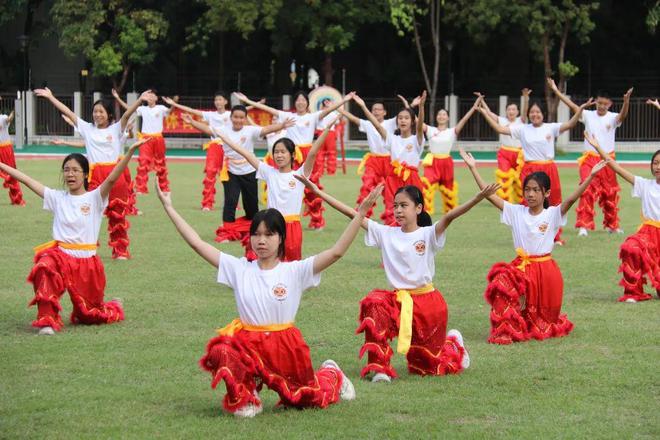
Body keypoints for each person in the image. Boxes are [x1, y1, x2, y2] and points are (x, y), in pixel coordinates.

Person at [155, 176, 383, 417]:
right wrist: (169, 207)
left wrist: (361, 214)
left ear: (281, 238)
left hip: (285, 346)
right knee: (221, 349)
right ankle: (247, 399)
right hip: (248, 342)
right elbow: (198, 244)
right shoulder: (239, 268)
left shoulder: (294, 271)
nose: (261, 240)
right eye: (256, 234)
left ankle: (332, 375)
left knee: (305, 399)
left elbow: (336, 252)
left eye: (269, 234)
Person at [297, 174, 500, 382]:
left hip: (428, 305)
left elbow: (449, 217)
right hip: (398, 302)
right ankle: (380, 369)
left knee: (429, 369)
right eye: (395, 206)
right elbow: (351, 214)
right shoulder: (386, 233)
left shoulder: (428, 234)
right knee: (374, 302)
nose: (398, 210)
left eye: (404, 205)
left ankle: (454, 343)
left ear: (418, 209)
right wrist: (318, 192)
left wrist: (477, 198)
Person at [0, 139, 146, 335]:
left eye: (75, 170)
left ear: (85, 174)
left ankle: (113, 306)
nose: (70, 174)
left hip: (87, 263)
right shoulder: (57, 197)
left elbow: (111, 179)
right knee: (44, 266)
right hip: (61, 256)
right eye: (67, 170)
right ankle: (47, 321)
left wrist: (130, 152)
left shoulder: (95, 197)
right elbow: (27, 180)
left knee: (89, 316)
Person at [460, 148, 606, 343]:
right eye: (527, 189)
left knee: (539, 322)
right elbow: (490, 196)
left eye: (536, 190)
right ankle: (507, 329)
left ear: (546, 193)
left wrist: (590, 176)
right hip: (520, 268)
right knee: (500, 283)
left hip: (545, 272)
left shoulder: (552, 214)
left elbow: (571, 199)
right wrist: (473, 169)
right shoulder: (516, 212)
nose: (530, 194)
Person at [35, 87, 148, 259]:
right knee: (87, 212)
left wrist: (139, 101)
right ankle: (83, 246)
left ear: (109, 115)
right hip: (94, 175)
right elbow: (69, 112)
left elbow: (126, 115)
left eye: (101, 112)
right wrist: (51, 96)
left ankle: (120, 251)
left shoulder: (116, 129)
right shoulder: (87, 128)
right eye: (95, 111)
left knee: (117, 214)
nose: (97, 115)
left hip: (114, 175)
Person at [215, 115, 340, 261]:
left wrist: (326, 129)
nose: (279, 155)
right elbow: (247, 154)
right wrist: (226, 139)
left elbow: (312, 153)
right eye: (276, 152)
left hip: (292, 226)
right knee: (268, 260)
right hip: (271, 224)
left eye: (283, 152)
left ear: (292, 155)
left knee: (292, 264)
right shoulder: (269, 172)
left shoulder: (300, 174)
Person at [478, 91, 594, 244]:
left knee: (553, 201)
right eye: (532, 112)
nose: (534, 114)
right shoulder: (522, 128)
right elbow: (500, 129)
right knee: (529, 202)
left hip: (549, 168)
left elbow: (571, 124)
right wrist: (484, 113)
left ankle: (554, 237)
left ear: (543, 114)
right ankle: (530, 233)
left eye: (537, 112)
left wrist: (581, 109)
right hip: (530, 170)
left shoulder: (551, 128)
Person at [234, 91, 355, 230]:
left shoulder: (313, 116)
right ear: (295, 103)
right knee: (281, 185)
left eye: (303, 100)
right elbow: (268, 109)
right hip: (291, 154)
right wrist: (248, 101)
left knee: (312, 189)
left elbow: (330, 109)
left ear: (307, 103)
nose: (300, 102)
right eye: (298, 100)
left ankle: (317, 221)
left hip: (307, 155)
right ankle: (276, 218)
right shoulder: (288, 116)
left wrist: (344, 100)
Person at [182, 106, 292, 243]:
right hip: (230, 172)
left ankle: (252, 232)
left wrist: (282, 125)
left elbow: (265, 129)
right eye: (236, 117)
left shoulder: (250, 131)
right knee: (230, 201)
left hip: (249, 171)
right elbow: (208, 129)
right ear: (231, 118)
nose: (238, 120)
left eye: (241, 117)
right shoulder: (224, 130)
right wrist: (192, 122)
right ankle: (227, 233)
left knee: (251, 204)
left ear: (245, 118)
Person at [549, 79, 633, 236]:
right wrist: (556, 90)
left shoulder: (613, 117)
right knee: (586, 190)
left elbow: (623, 115)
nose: (602, 106)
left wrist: (626, 101)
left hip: (608, 160)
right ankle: (584, 226)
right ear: (595, 102)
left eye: (605, 104)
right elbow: (571, 105)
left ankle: (612, 225)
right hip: (589, 159)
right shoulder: (587, 115)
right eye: (599, 103)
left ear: (609, 104)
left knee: (610, 193)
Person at [585, 132, 660, 303]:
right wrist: (597, 147)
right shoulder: (644, 184)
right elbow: (615, 167)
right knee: (630, 247)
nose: (658, 167)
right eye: (655, 163)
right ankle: (633, 292)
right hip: (647, 234)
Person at [162, 92, 231, 211]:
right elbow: (191, 110)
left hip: (228, 147)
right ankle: (207, 204)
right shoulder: (210, 115)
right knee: (210, 174)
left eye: (220, 99)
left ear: (225, 102)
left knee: (229, 176)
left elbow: (244, 111)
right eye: (216, 100)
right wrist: (174, 104)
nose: (218, 102)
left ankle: (231, 202)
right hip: (214, 146)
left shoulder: (231, 115)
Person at [369, 91, 428, 225]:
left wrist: (422, 107)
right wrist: (362, 107)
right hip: (393, 178)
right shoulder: (392, 138)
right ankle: (393, 237)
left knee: (414, 210)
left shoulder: (416, 140)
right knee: (393, 209)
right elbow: (377, 126)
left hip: (411, 178)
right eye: (400, 118)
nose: (403, 120)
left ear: (412, 121)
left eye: (406, 118)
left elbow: (420, 128)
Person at [419, 95, 482, 214]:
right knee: (426, 187)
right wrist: (413, 106)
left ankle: (450, 212)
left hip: (446, 163)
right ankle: (424, 211)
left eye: (444, 114)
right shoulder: (430, 130)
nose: (441, 116)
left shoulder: (452, 131)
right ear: (436, 117)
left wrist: (473, 108)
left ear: (448, 118)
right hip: (432, 162)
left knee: (449, 189)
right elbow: (417, 121)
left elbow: (464, 120)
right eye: (439, 114)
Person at [339, 98, 396, 220]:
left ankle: (391, 218)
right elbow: (354, 119)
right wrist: (340, 109)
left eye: (379, 109)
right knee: (367, 186)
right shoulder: (368, 124)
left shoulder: (391, 123)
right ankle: (361, 216)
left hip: (389, 161)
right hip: (373, 160)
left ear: (385, 112)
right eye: (374, 109)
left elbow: (405, 116)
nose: (376, 112)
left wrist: (412, 105)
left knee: (389, 191)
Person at [113, 89, 171, 194]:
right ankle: (141, 187)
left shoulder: (161, 108)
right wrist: (117, 98)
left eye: (152, 96)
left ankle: (163, 187)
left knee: (161, 163)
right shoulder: (142, 109)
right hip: (145, 139)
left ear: (156, 98)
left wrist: (174, 104)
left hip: (158, 138)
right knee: (143, 162)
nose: (150, 98)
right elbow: (129, 108)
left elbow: (170, 111)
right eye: (148, 96)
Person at [477, 89, 530, 203]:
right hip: (505, 153)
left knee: (521, 178)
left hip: (519, 155)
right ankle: (504, 200)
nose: (511, 111)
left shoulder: (521, 121)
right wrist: (482, 101)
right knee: (504, 176)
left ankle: (521, 198)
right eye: (509, 109)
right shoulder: (502, 120)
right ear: (506, 111)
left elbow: (526, 110)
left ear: (517, 111)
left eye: (514, 109)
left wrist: (525, 98)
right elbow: (489, 113)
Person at [0, 103, 25, 206]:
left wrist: (13, 112)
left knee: (11, 173)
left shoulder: (3, 117)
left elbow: (8, 119)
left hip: (5, 149)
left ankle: (17, 199)